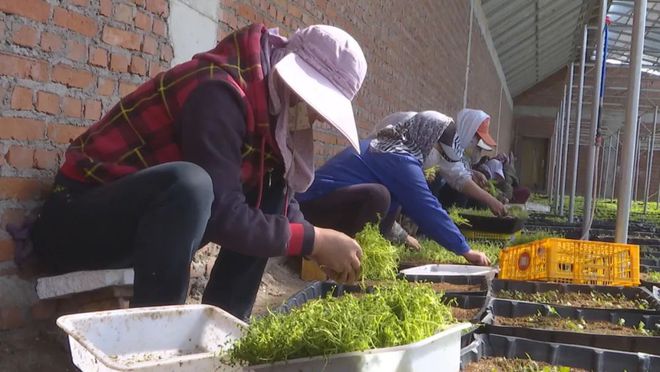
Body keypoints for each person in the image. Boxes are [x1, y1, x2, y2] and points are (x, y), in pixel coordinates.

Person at [30, 24, 368, 320]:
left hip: (144, 231)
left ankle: (224, 325)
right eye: (318, 104)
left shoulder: (270, 113)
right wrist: (314, 240)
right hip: (76, 225)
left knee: (271, 187)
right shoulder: (218, 92)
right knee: (190, 185)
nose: (319, 119)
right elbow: (222, 214)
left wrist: (311, 237)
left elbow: (277, 205)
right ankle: (157, 345)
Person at [297, 111, 492, 266]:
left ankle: (356, 252)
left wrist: (402, 236)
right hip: (310, 210)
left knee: (391, 198)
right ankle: (332, 256)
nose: (435, 156)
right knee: (378, 196)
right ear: (426, 139)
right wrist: (465, 250)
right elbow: (426, 207)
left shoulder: (391, 148)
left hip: (325, 205)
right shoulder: (399, 158)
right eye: (438, 151)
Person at [429, 109, 507, 215]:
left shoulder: (459, 151)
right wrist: (491, 200)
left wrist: (472, 173)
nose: (476, 144)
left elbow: (456, 168)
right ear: (468, 130)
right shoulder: (447, 141)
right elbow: (457, 176)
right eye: (477, 138)